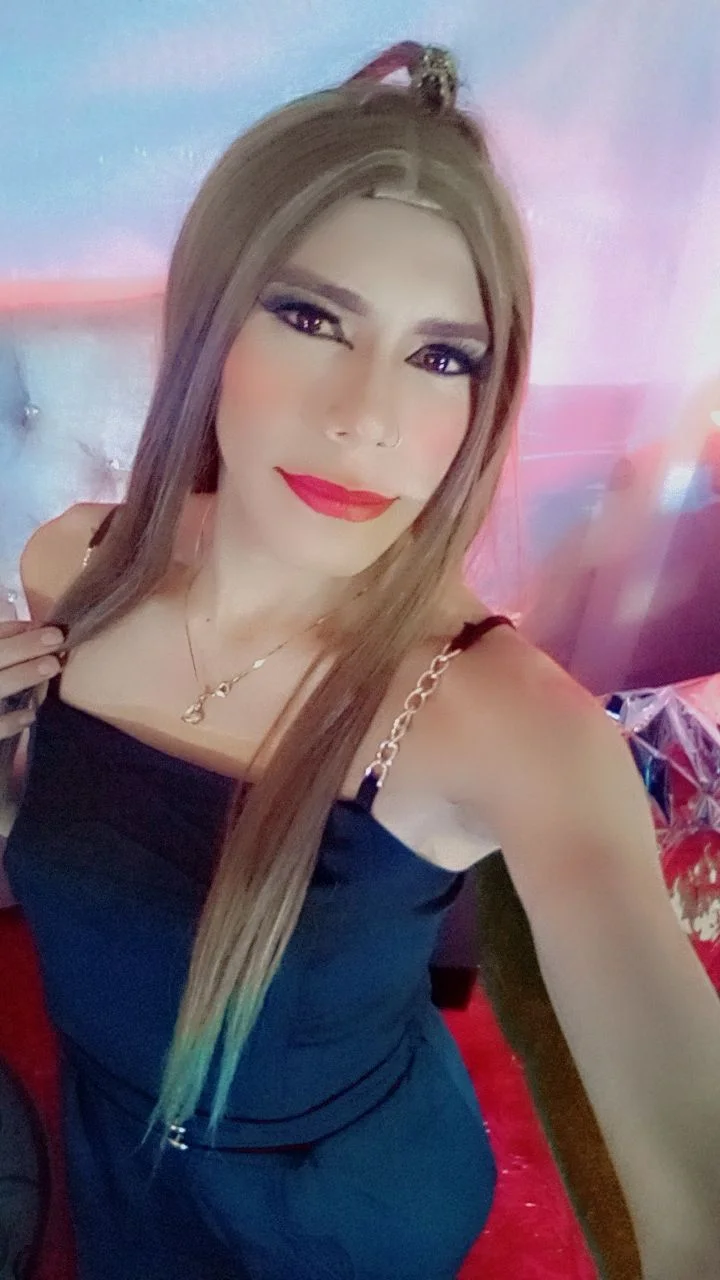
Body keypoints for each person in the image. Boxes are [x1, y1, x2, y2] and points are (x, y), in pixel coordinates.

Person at [1, 39, 719, 1280]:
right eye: (310, 317)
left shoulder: (513, 727)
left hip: (342, 1217)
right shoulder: (74, 568)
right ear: (211, 322)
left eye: (441, 357)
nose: (366, 417)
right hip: (111, 1141)